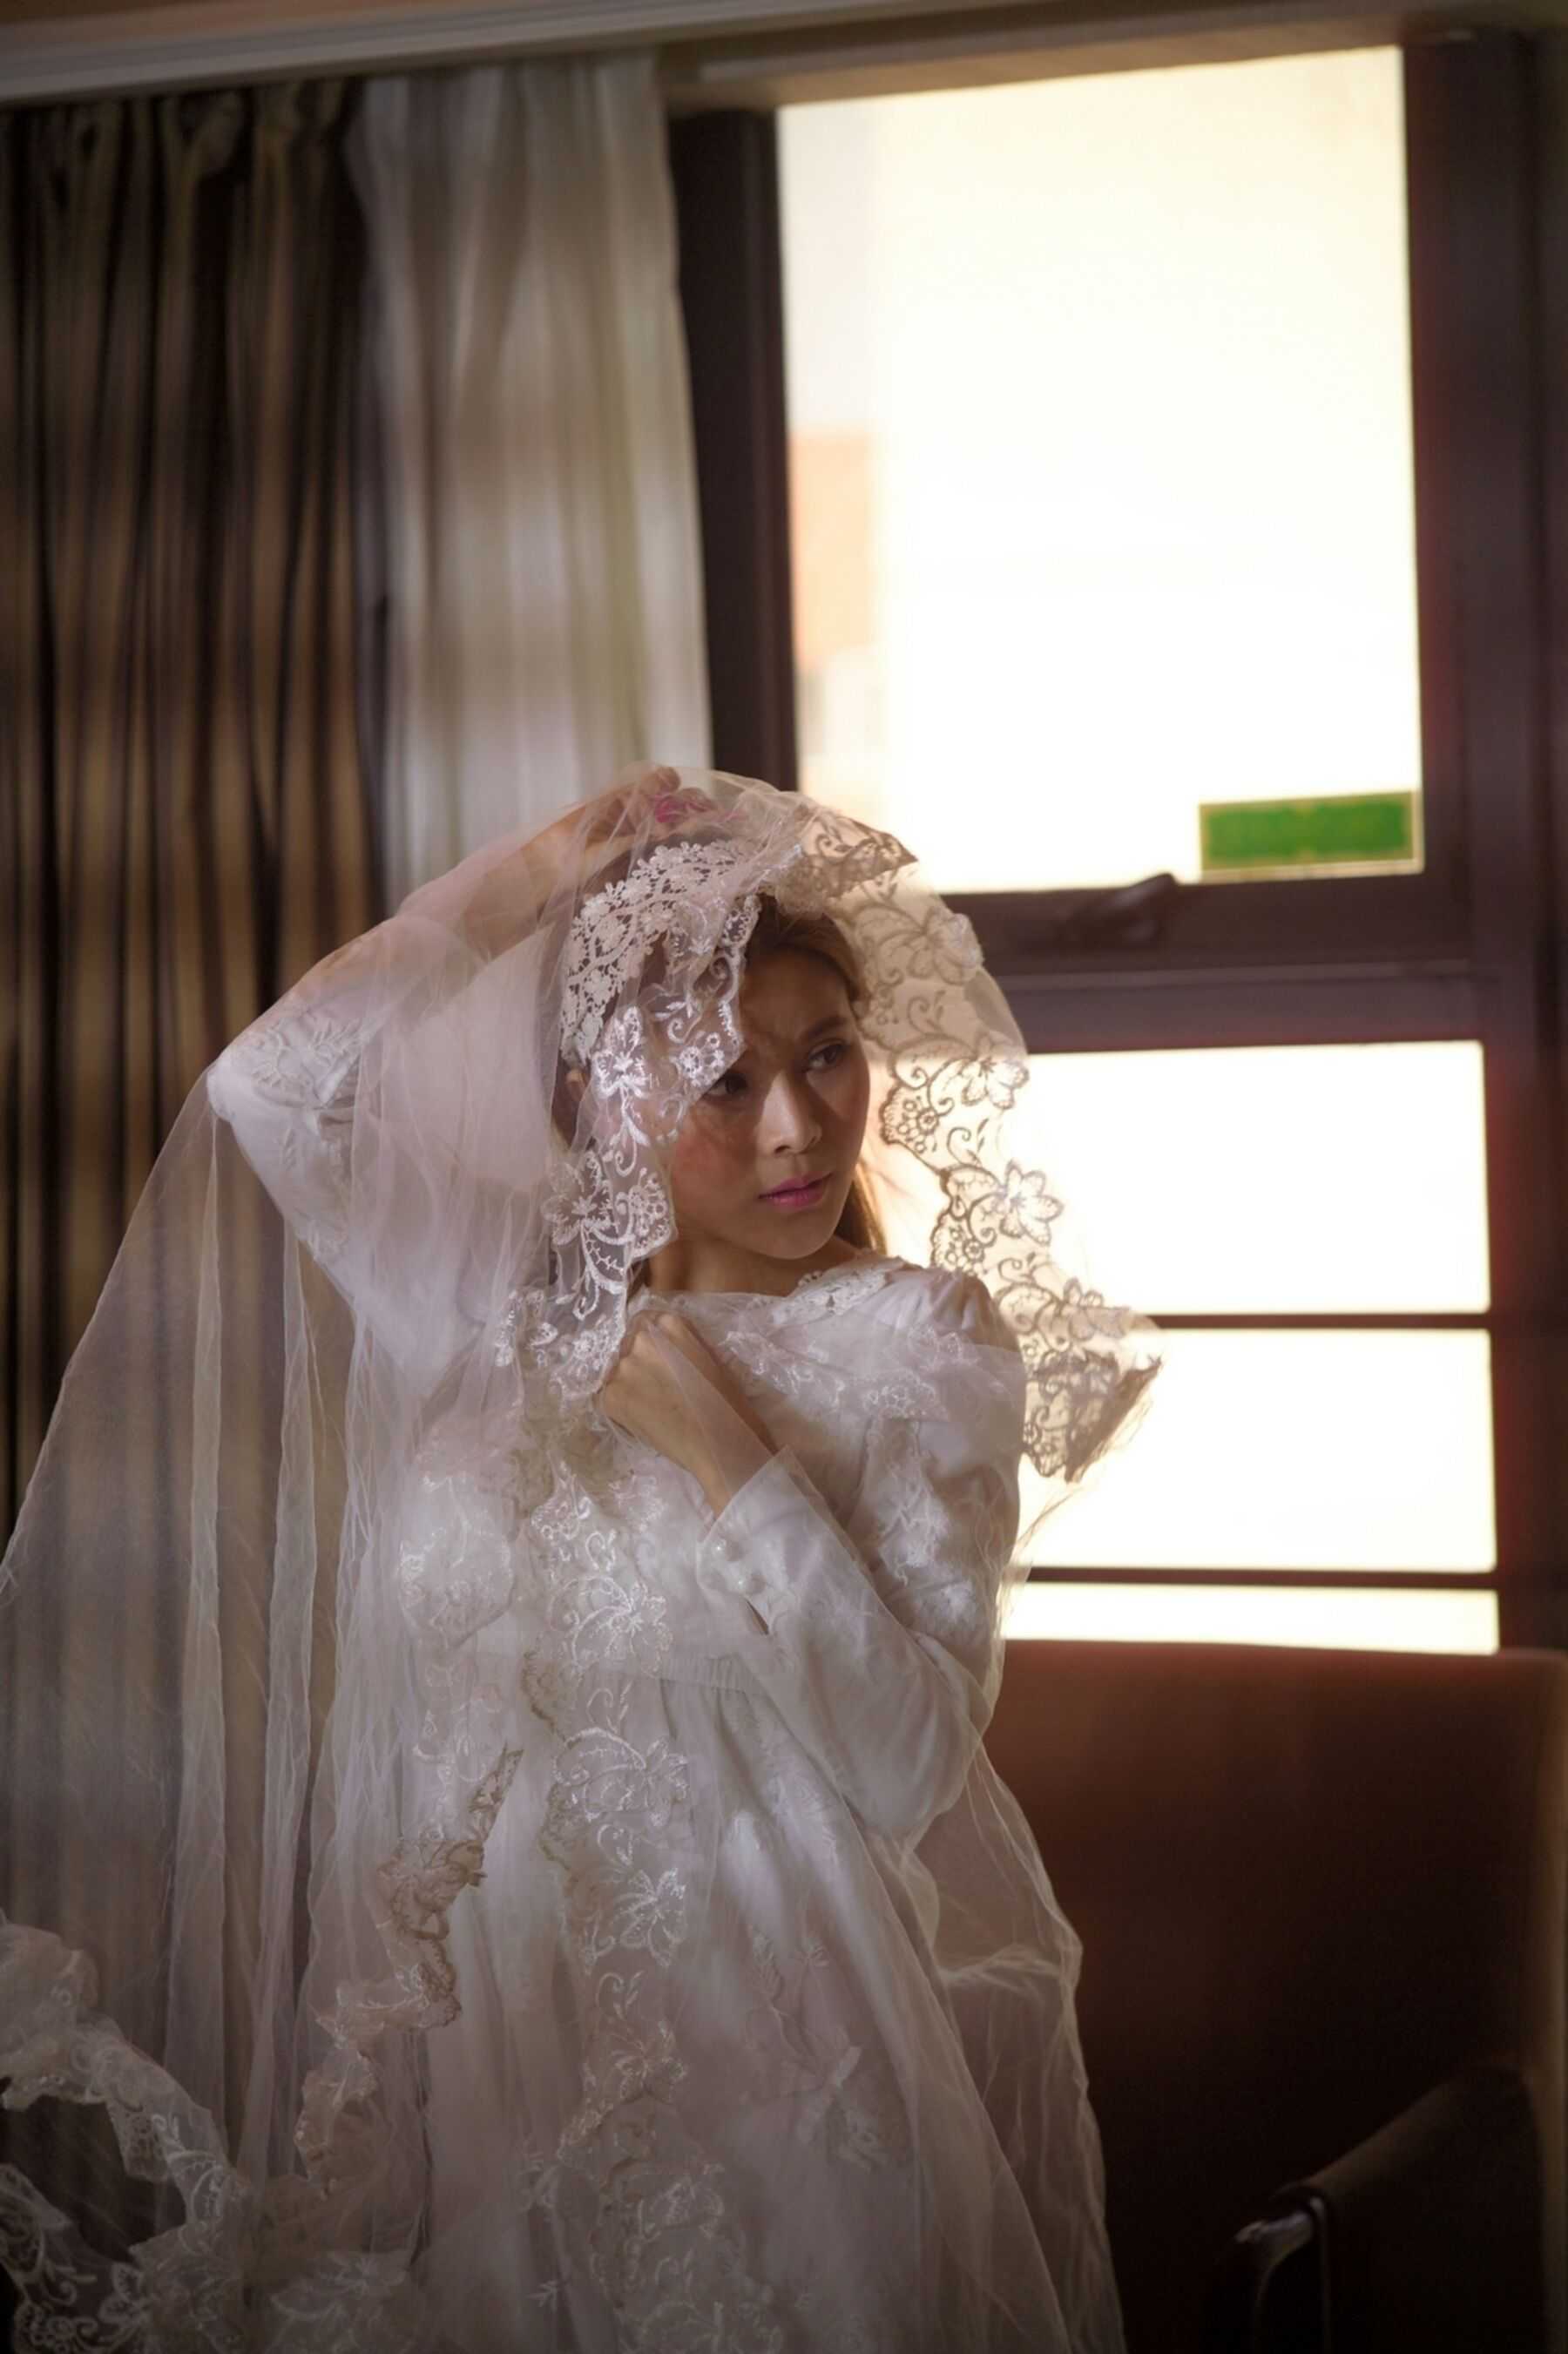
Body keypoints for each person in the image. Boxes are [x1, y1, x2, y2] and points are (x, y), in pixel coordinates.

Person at [0, 765, 1160, 2351]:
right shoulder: (498, 1305)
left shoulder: (918, 1339)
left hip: (796, 2045)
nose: (800, 1126)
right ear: (601, 1098)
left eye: (828, 1055)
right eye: (725, 1080)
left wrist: (726, 1450)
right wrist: (541, 875)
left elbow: (909, 1760)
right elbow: (274, 1091)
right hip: (505, 2046)